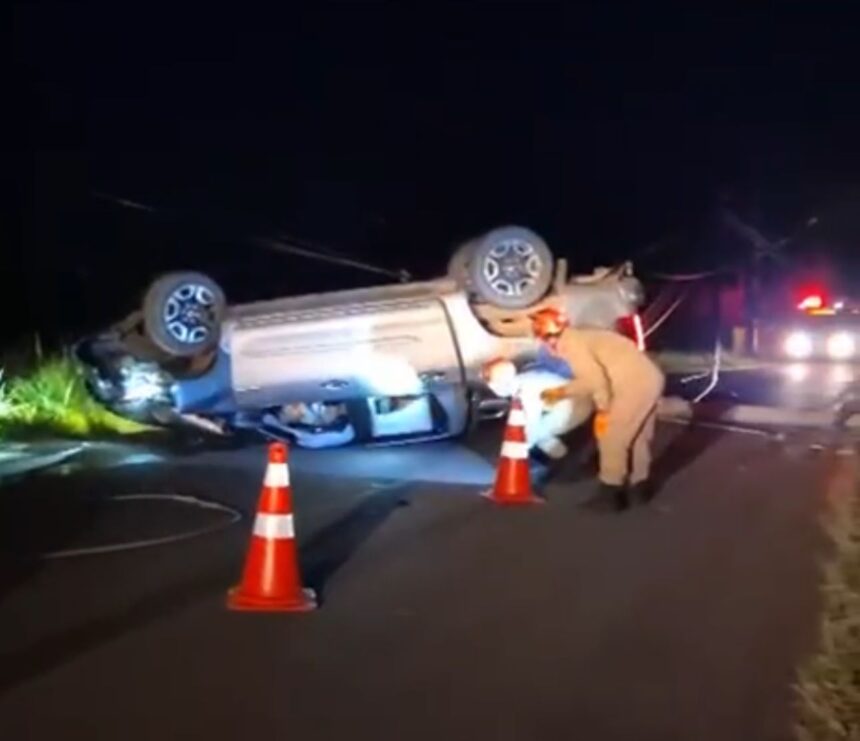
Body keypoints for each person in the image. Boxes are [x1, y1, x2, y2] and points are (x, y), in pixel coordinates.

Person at [531, 307, 665, 511]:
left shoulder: (571, 344)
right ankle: (640, 486)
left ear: (546, 337)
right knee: (637, 435)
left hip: (633, 383)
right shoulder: (582, 336)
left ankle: (610, 493)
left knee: (613, 436)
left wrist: (562, 394)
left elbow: (594, 381)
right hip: (650, 377)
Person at [482, 357, 593, 480]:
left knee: (537, 432)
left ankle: (566, 462)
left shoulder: (523, 391)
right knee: (540, 432)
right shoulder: (523, 380)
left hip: (575, 407)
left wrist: (517, 452)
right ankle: (562, 457)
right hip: (573, 401)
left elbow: (531, 422)